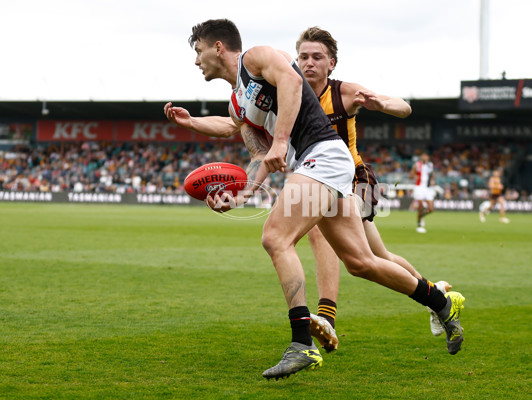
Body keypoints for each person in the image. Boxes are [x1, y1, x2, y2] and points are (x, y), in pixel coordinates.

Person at [166, 19, 465, 380]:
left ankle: (302, 343)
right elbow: (258, 154)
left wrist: (281, 142)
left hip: (322, 155)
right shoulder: (237, 101)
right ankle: (440, 302)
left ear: (217, 47)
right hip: (319, 163)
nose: (196, 61)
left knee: (276, 238)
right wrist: (242, 194)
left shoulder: (256, 58)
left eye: (198, 51)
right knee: (362, 262)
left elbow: (292, 81)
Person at [294, 27, 453, 343]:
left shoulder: (345, 92)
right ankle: (435, 294)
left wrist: (381, 105)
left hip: (355, 178)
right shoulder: (289, 91)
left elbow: (403, 107)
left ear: (332, 63)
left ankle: (326, 317)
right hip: (320, 177)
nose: (309, 63)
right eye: (303, 57)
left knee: (317, 230)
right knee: (378, 257)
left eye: (317, 57)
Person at [409, 152, 435, 233]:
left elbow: (432, 174)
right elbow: (410, 176)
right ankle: (419, 224)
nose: (425, 157)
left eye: (426, 156)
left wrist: (432, 180)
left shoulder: (430, 165)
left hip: (427, 188)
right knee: (421, 206)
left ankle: (421, 217)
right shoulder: (417, 165)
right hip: (419, 187)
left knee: (431, 209)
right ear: (421, 157)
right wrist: (414, 176)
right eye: (423, 156)